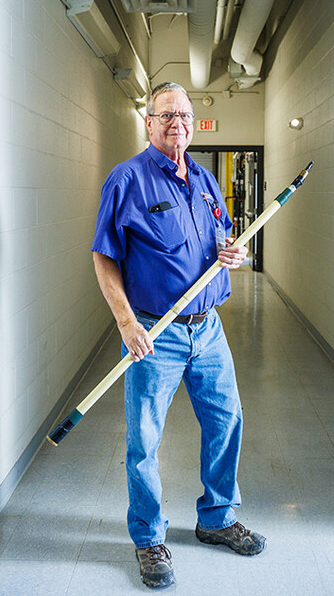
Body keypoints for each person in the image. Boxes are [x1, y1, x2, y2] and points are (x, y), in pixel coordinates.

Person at [91, 82, 265, 589]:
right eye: (166, 115)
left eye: (184, 116)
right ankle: (149, 538)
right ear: (149, 122)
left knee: (226, 421)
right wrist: (127, 322)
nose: (177, 124)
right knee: (144, 439)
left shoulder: (205, 180)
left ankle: (218, 518)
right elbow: (104, 256)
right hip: (155, 332)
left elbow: (222, 238)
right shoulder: (127, 180)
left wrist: (233, 252)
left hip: (208, 329)